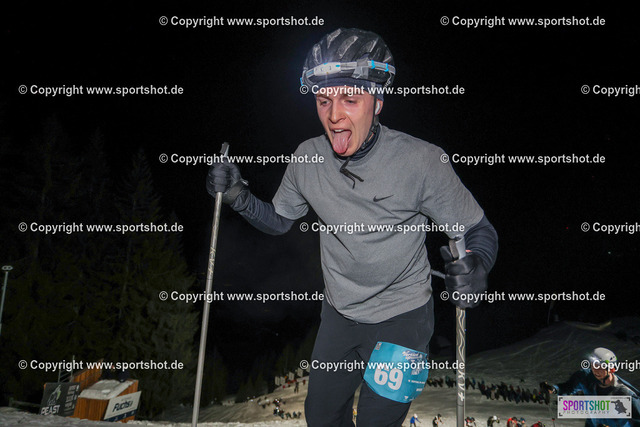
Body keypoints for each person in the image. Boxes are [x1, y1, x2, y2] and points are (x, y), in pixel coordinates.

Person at [207, 27, 498, 427]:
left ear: (378, 102)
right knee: (321, 417)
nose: (334, 115)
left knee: (377, 421)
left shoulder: (422, 162)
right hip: (340, 315)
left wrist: (477, 264)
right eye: (323, 100)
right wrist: (237, 195)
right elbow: (279, 220)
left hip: (404, 318)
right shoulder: (307, 158)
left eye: (350, 99)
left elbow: (479, 229)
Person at [543, 347, 640, 427]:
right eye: (593, 365)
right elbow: (569, 386)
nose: (595, 369)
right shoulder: (587, 377)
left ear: (611, 369)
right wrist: (554, 389)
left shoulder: (626, 394)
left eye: (600, 366)